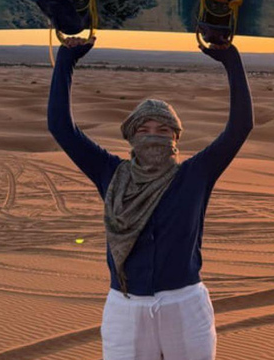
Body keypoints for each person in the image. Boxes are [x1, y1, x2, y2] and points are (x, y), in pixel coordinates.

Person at [47, 35, 254, 360]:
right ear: (130, 136)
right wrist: (67, 59)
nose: (153, 137)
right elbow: (61, 127)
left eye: (164, 130)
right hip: (126, 309)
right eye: (143, 130)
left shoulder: (195, 174)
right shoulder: (111, 173)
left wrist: (231, 59)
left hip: (185, 306)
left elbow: (240, 127)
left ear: (176, 137)